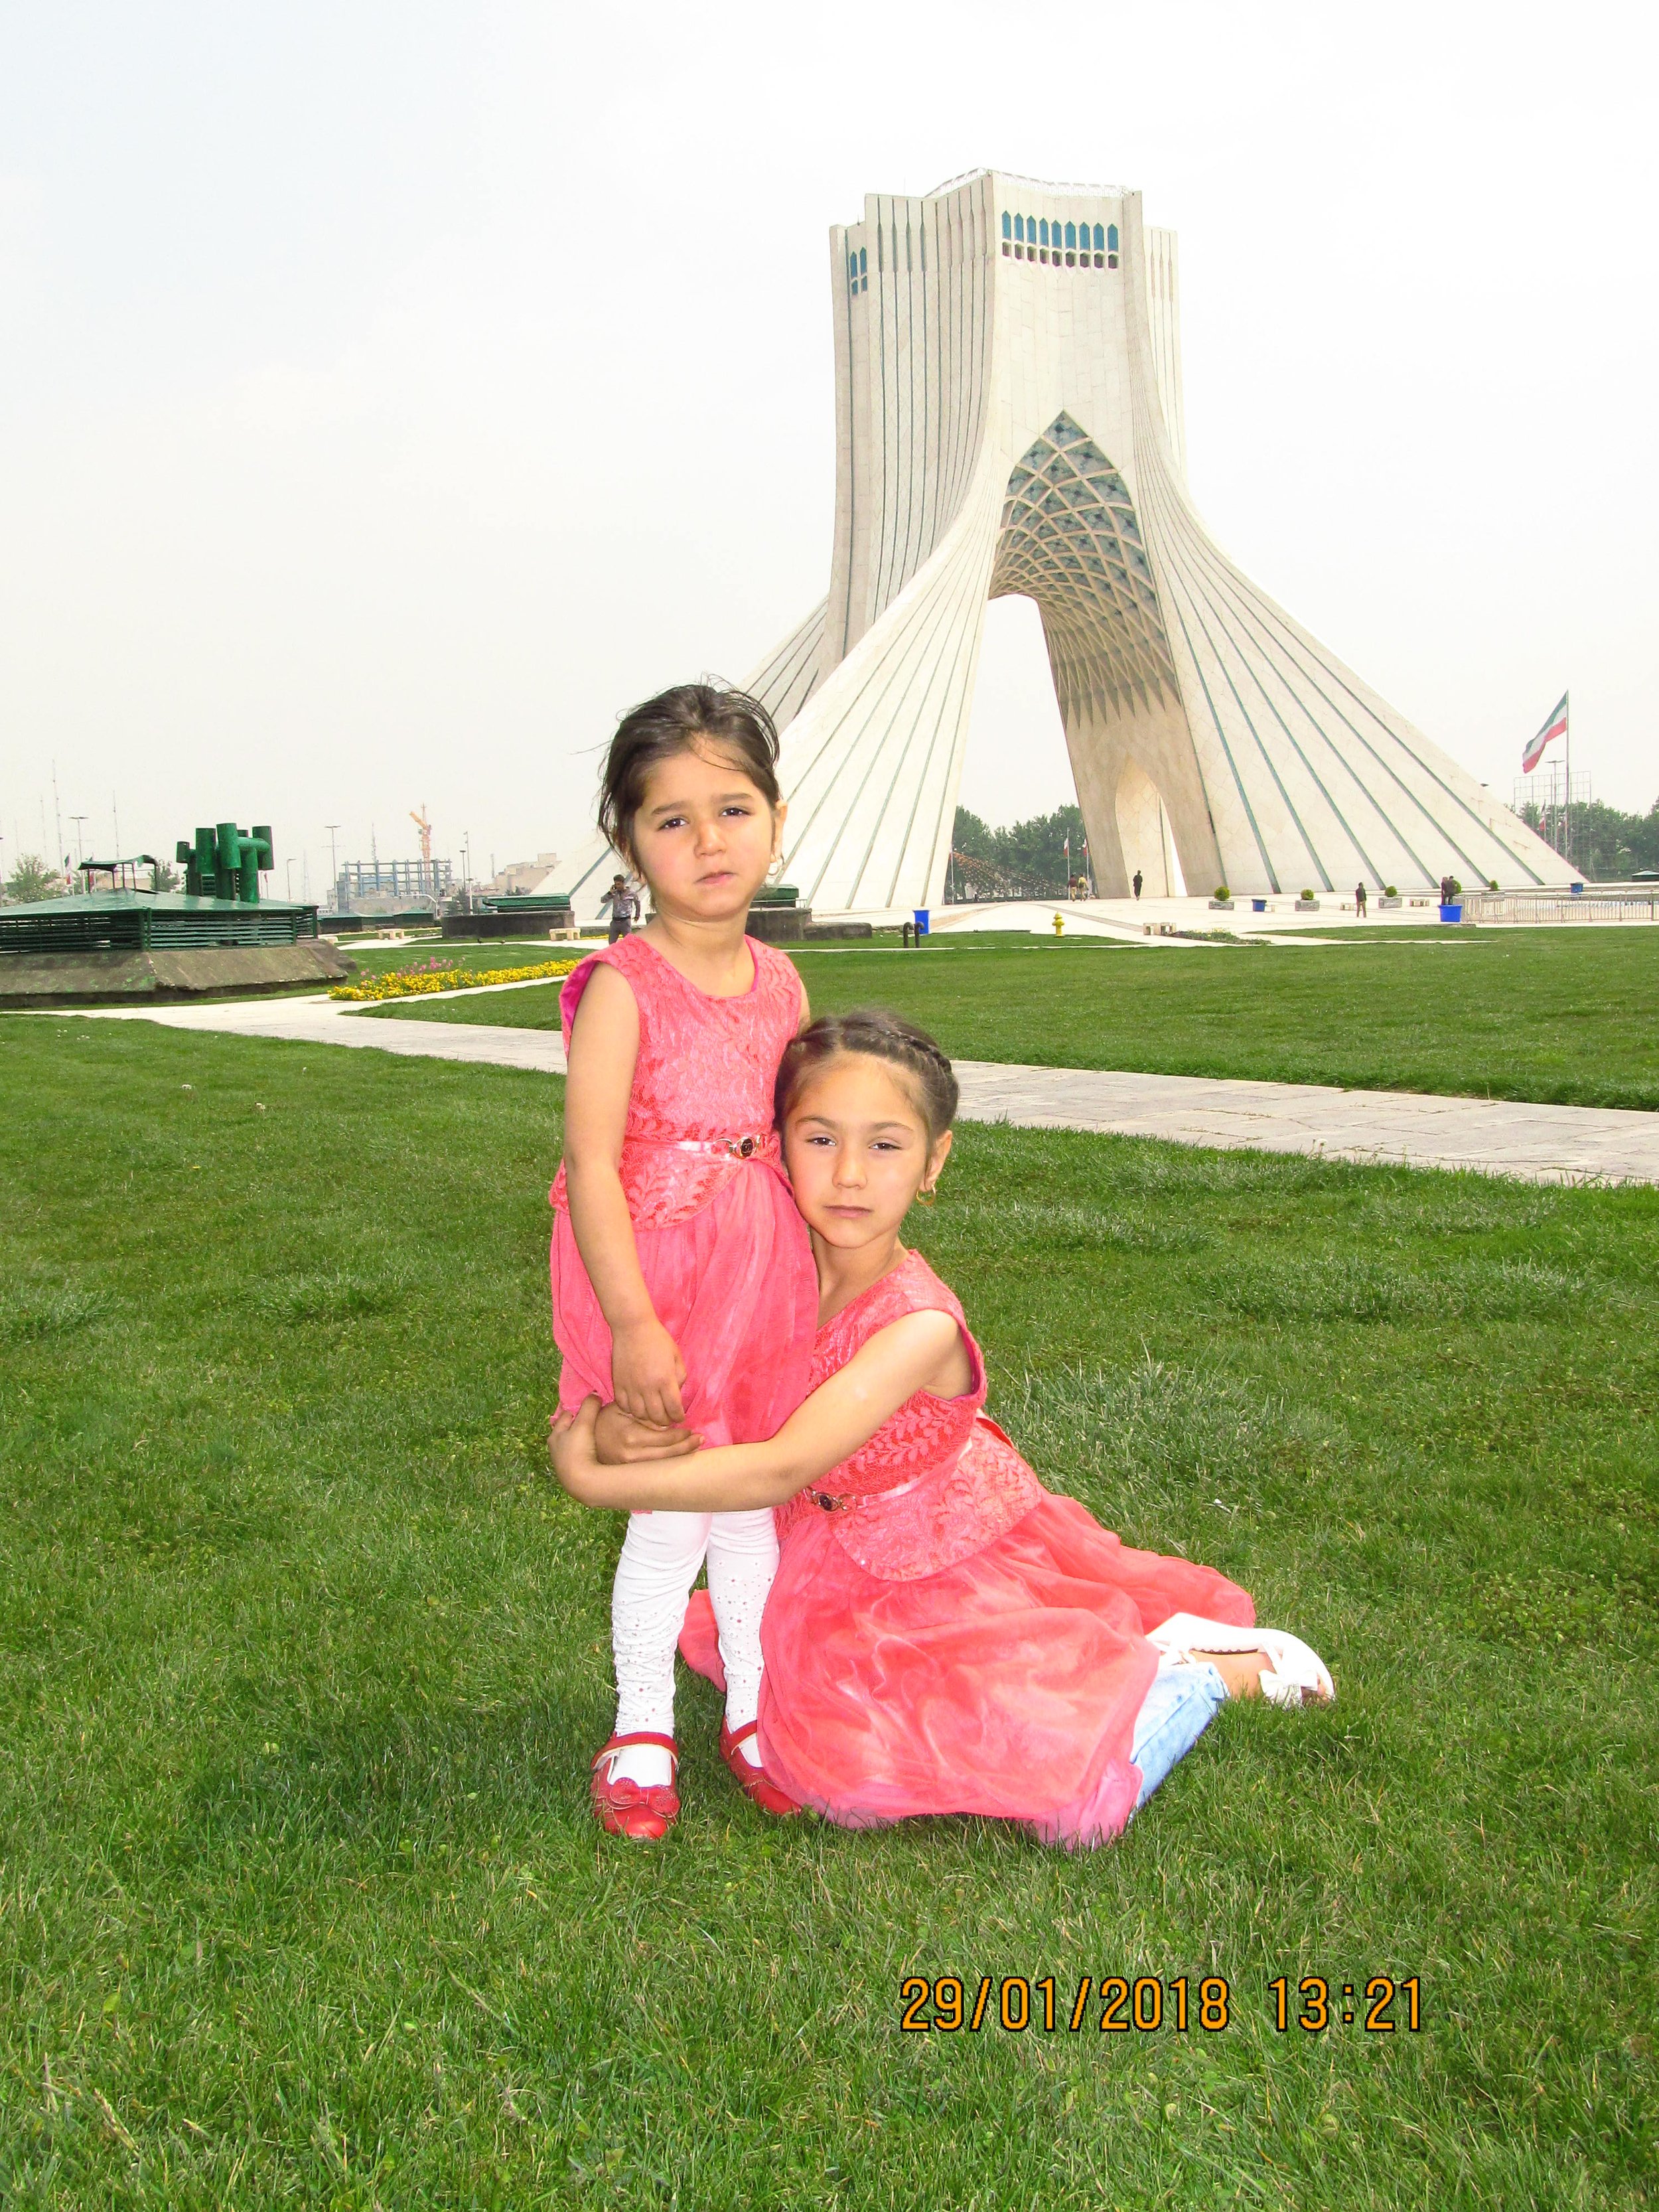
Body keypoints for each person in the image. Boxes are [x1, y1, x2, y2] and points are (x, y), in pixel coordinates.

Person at [551, 1011, 1333, 1848]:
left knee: (994, 1772)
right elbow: (677, 1369)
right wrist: (606, 1418)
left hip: (935, 1555)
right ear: (776, 1145)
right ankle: (1112, 1662)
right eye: (819, 1139)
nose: (849, 1174)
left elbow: (779, 1466)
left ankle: (1203, 1673)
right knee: (820, 1718)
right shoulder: (764, 1265)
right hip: (816, 1554)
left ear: (935, 1162)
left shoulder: (917, 1326)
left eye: (885, 1146)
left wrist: (596, 1477)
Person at [549, 683, 819, 1842]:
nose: (708, 841)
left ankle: (755, 1710)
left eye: (733, 808)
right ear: (628, 841)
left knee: (755, 1504)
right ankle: (643, 1720)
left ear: (775, 815)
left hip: (763, 1280)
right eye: (672, 819)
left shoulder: (783, 980)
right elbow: (593, 1165)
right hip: (655, 1280)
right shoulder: (626, 985)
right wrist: (633, 1327)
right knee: (669, 1509)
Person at [597, 873, 641, 942]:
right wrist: (610, 893)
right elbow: (603, 900)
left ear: (623, 883)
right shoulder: (614, 893)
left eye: (619, 884)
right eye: (616, 884)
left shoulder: (631, 893)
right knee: (612, 943)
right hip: (615, 921)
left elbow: (638, 903)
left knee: (628, 942)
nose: (617, 886)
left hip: (625, 921)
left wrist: (637, 915)